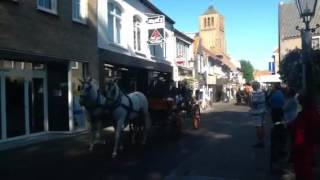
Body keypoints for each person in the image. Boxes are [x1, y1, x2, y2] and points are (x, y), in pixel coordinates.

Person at [293, 95, 320, 180]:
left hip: (304, 143)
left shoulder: (305, 114)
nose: (299, 103)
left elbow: (300, 129)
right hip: (311, 141)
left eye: (300, 101)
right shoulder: (314, 112)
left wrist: (298, 143)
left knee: (303, 165)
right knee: (307, 163)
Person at [283, 88, 299, 163]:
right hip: (290, 120)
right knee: (291, 139)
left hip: (290, 121)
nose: (286, 93)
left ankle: (291, 156)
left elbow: (284, 108)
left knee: (290, 139)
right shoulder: (292, 100)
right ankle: (291, 155)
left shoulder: (291, 100)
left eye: (287, 92)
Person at [250, 81, 266, 148]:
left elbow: (254, 103)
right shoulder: (262, 92)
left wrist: (250, 99)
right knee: (261, 126)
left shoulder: (256, 93)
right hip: (262, 111)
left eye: (252, 86)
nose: (252, 87)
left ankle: (260, 142)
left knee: (258, 127)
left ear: (254, 86)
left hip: (257, 113)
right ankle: (262, 140)